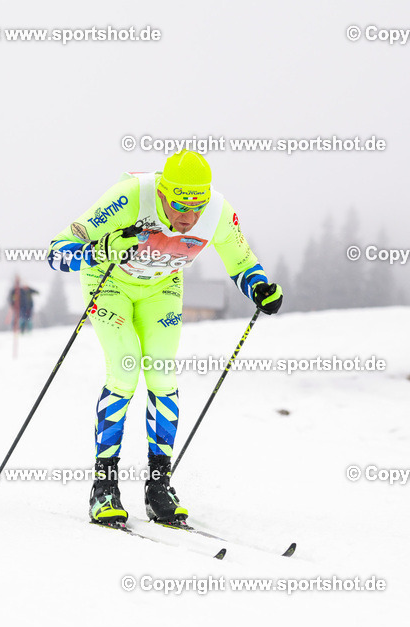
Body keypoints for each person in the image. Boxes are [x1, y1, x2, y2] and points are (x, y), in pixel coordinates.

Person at [46, 151, 283, 526]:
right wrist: (100, 250)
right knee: (125, 369)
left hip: (162, 287)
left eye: (198, 207)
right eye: (179, 206)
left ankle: (159, 486)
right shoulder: (129, 196)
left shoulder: (218, 212)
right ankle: (104, 486)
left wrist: (259, 288)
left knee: (162, 374)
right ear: (161, 193)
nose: (189, 218)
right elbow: (57, 253)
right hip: (109, 284)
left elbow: (241, 261)